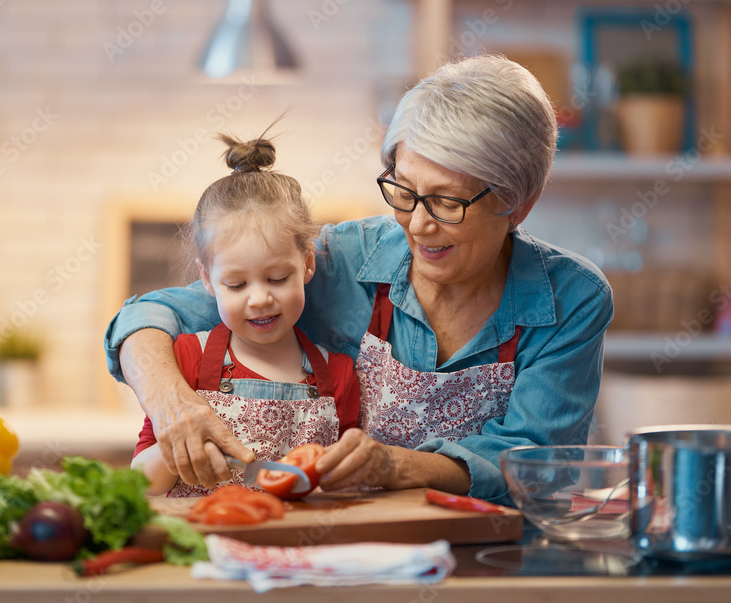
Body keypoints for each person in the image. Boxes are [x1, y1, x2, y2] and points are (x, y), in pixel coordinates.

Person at [107, 54, 613, 502]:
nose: (418, 223)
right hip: (364, 550)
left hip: (498, 553)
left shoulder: (571, 298)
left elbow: (537, 461)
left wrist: (398, 466)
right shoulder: (346, 257)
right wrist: (170, 403)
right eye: (404, 191)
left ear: (517, 204)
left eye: (446, 201)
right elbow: (150, 317)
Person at [130, 129, 360, 497]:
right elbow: (139, 484)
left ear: (307, 263)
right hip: (203, 548)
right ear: (207, 279)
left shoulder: (340, 374)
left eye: (278, 278)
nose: (259, 299)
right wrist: (182, 451)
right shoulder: (186, 357)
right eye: (236, 285)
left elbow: (349, 490)